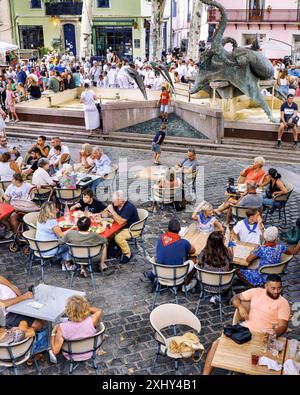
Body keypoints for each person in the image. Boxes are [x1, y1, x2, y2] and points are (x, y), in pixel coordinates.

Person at [202, 274, 291, 375]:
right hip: (244, 329)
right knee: (216, 344)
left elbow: (283, 326)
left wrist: (273, 333)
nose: (276, 292)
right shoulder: (256, 292)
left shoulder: (283, 303)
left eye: (279, 288)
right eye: (273, 288)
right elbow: (234, 298)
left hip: (263, 335)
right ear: (266, 286)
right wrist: (240, 306)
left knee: (254, 362)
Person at [50, 296, 102, 362]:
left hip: (72, 355)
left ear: (68, 310)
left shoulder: (62, 327)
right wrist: (83, 309)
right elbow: (99, 310)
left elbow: (55, 351)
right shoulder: (91, 321)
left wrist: (53, 333)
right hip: (91, 351)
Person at [154, 217, 197, 291]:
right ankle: (186, 283)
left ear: (168, 229)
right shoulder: (183, 242)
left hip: (160, 272)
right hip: (176, 273)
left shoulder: (160, 239)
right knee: (195, 259)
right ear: (179, 230)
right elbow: (193, 251)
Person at [35, 201, 74, 271]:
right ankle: (66, 264)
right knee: (69, 244)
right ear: (50, 211)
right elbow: (61, 235)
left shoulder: (39, 218)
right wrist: (72, 228)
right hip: (49, 249)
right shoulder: (52, 221)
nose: (57, 210)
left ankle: (61, 259)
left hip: (38, 247)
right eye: (55, 209)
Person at [198, 231, 233, 303]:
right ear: (221, 242)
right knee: (232, 270)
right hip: (222, 285)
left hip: (206, 284)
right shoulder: (226, 252)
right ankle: (223, 296)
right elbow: (231, 260)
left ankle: (215, 296)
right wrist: (231, 244)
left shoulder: (204, 252)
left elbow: (199, 262)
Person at [105, 190, 139, 264]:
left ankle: (128, 254)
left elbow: (121, 222)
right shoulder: (116, 204)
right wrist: (104, 214)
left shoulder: (128, 207)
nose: (113, 202)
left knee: (118, 238)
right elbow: (107, 212)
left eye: (114, 201)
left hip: (132, 228)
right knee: (108, 233)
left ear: (121, 200)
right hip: (121, 227)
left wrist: (112, 212)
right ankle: (108, 251)